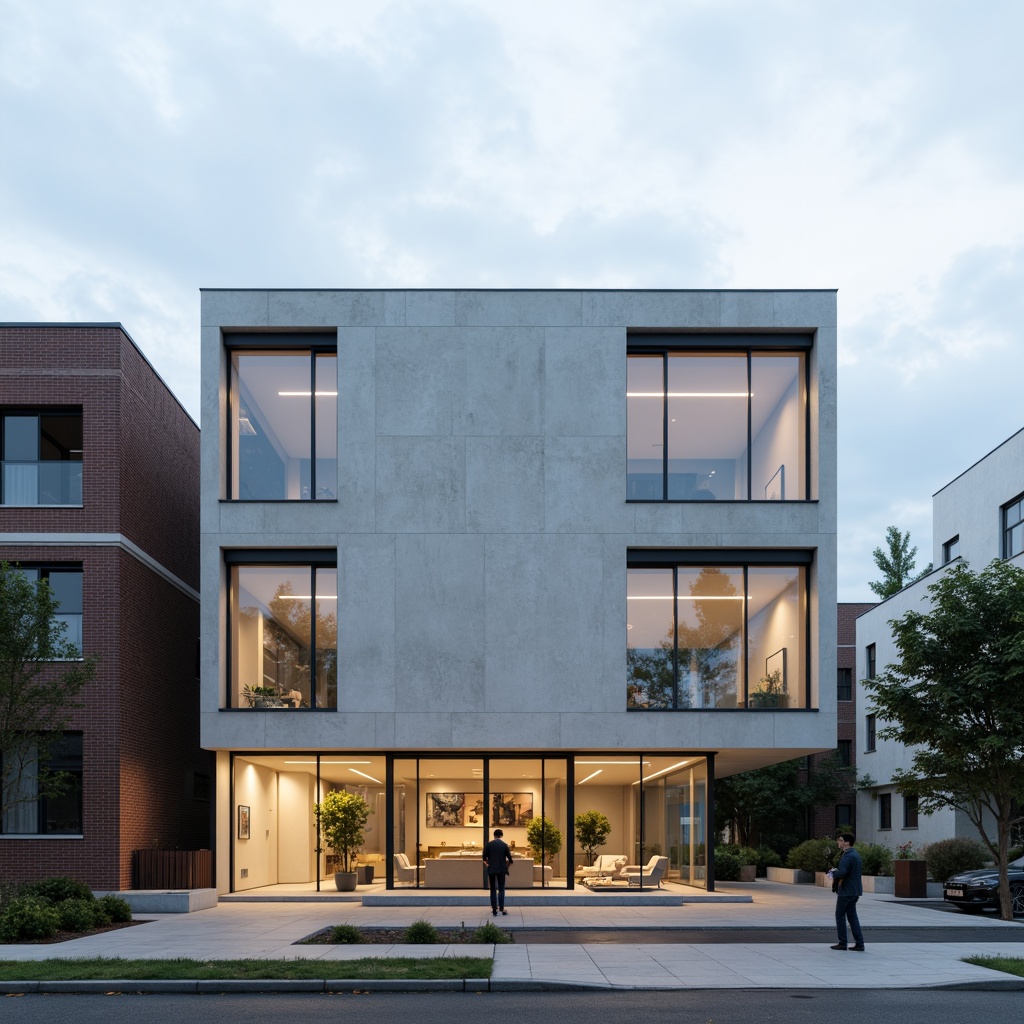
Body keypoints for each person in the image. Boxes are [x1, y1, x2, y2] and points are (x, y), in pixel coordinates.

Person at [829, 832, 865, 951]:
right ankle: (859, 943)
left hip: (846, 891)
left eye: (840, 840)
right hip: (855, 890)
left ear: (846, 842)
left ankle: (842, 942)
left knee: (840, 915)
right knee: (852, 916)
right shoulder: (855, 854)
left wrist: (832, 873)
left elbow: (843, 872)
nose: (838, 842)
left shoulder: (847, 856)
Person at [482, 827, 513, 916]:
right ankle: (501, 908)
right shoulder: (504, 845)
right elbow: (510, 860)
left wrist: (488, 864)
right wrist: (506, 867)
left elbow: (484, 858)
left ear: (494, 835)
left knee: (492, 889)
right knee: (501, 889)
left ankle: (494, 908)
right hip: (501, 870)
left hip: (491, 869)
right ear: (501, 835)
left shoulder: (489, 845)